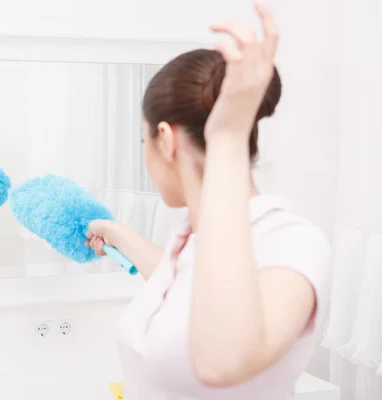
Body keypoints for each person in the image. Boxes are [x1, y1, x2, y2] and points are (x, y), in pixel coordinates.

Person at [85, 2, 332, 399]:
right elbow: (180, 280)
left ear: (165, 140)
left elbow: (222, 362)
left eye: (143, 142)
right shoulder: (191, 238)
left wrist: (227, 139)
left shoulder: (294, 243)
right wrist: (115, 232)